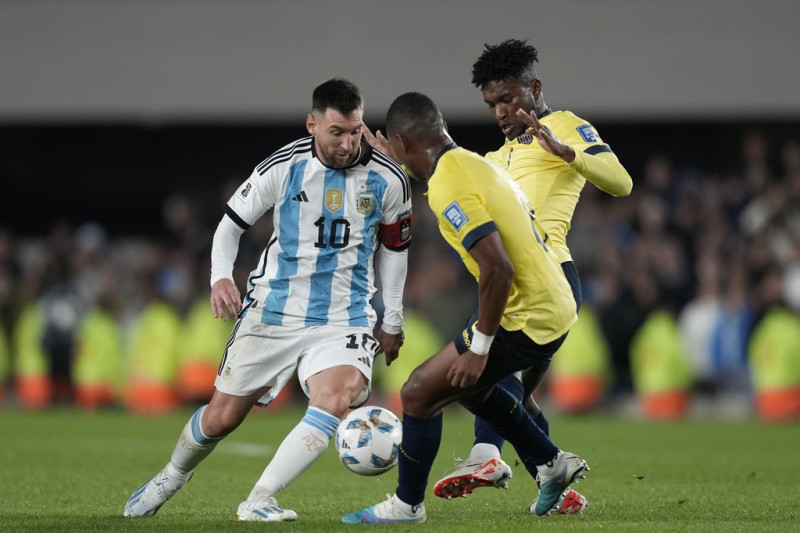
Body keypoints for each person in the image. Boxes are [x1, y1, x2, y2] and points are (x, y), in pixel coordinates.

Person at [123, 77, 413, 522]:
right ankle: (172, 475)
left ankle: (260, 497)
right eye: (337, 132)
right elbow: (230, 225)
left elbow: (395, 249)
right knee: (221, 419)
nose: (348, 142)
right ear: (312, 124)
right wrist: (221, 278)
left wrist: (390, 317)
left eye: (355, 130)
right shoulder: (284, 166)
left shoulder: (388, 178)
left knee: (336, 398)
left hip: (345, 316)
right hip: (274, 308)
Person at [342, 92, 587, 525]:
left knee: (419, 391)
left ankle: (406, 507)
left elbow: (498, 268)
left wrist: (481, 347)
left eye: (395, 150)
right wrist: (396, 160)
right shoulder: (472, 162)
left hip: (528, 311)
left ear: (402, 139)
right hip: (554, 298)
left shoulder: (448, 184)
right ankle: (550, 463)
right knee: (469, 387)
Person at [431, 38, 632, 514]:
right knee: (514, 395)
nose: (501, 112)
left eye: (508, 99)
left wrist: (567, 153)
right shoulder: (496, 158)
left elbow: (620, 181)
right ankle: (557, 481)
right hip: (508, 284)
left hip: (550, 278)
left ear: (534, 88)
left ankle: (486, 457)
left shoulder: (566, 126)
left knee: (485, 379)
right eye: (492, 104)